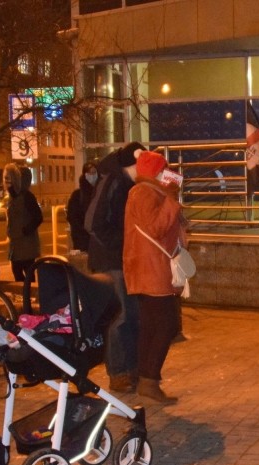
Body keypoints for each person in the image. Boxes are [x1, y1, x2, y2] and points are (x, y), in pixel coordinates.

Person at [123, 151, 187, 404]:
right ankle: (149, 380)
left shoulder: (150, 192)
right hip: (152, 269)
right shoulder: (144, 193)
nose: (168, 174)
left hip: (153, 267)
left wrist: (170, 195)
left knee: (153, 325)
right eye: (164, 169)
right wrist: (171, 198)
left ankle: (147, 381)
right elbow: (157, 227)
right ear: (156, 171)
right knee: (165, 324)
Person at [85, 141, 147, 393]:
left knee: (131, 313)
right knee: (121, 315)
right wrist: (121, 245)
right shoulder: (113, 182)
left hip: (125, 258)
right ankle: (119, 372)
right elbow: (93, 222)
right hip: (111, 260)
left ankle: (130, 368)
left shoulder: (129, 184)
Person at [4, 163, 42, 282]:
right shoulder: (12, 196)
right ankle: (25, 295)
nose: (8, 180)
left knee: (27, 271)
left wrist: (25, 230)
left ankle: (29, 295)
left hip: (26, 243)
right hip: (16, 243)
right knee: (17, 270)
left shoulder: (27, 196)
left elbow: (38, 217)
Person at [66, 161, 98, 252]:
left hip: (97, 241)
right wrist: (83, 231)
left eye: (94, 172)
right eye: (89, 173)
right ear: (85, 175)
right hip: (82, 241)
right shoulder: (77, 195)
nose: (92, 175)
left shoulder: (100, 192)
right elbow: (72, 217)